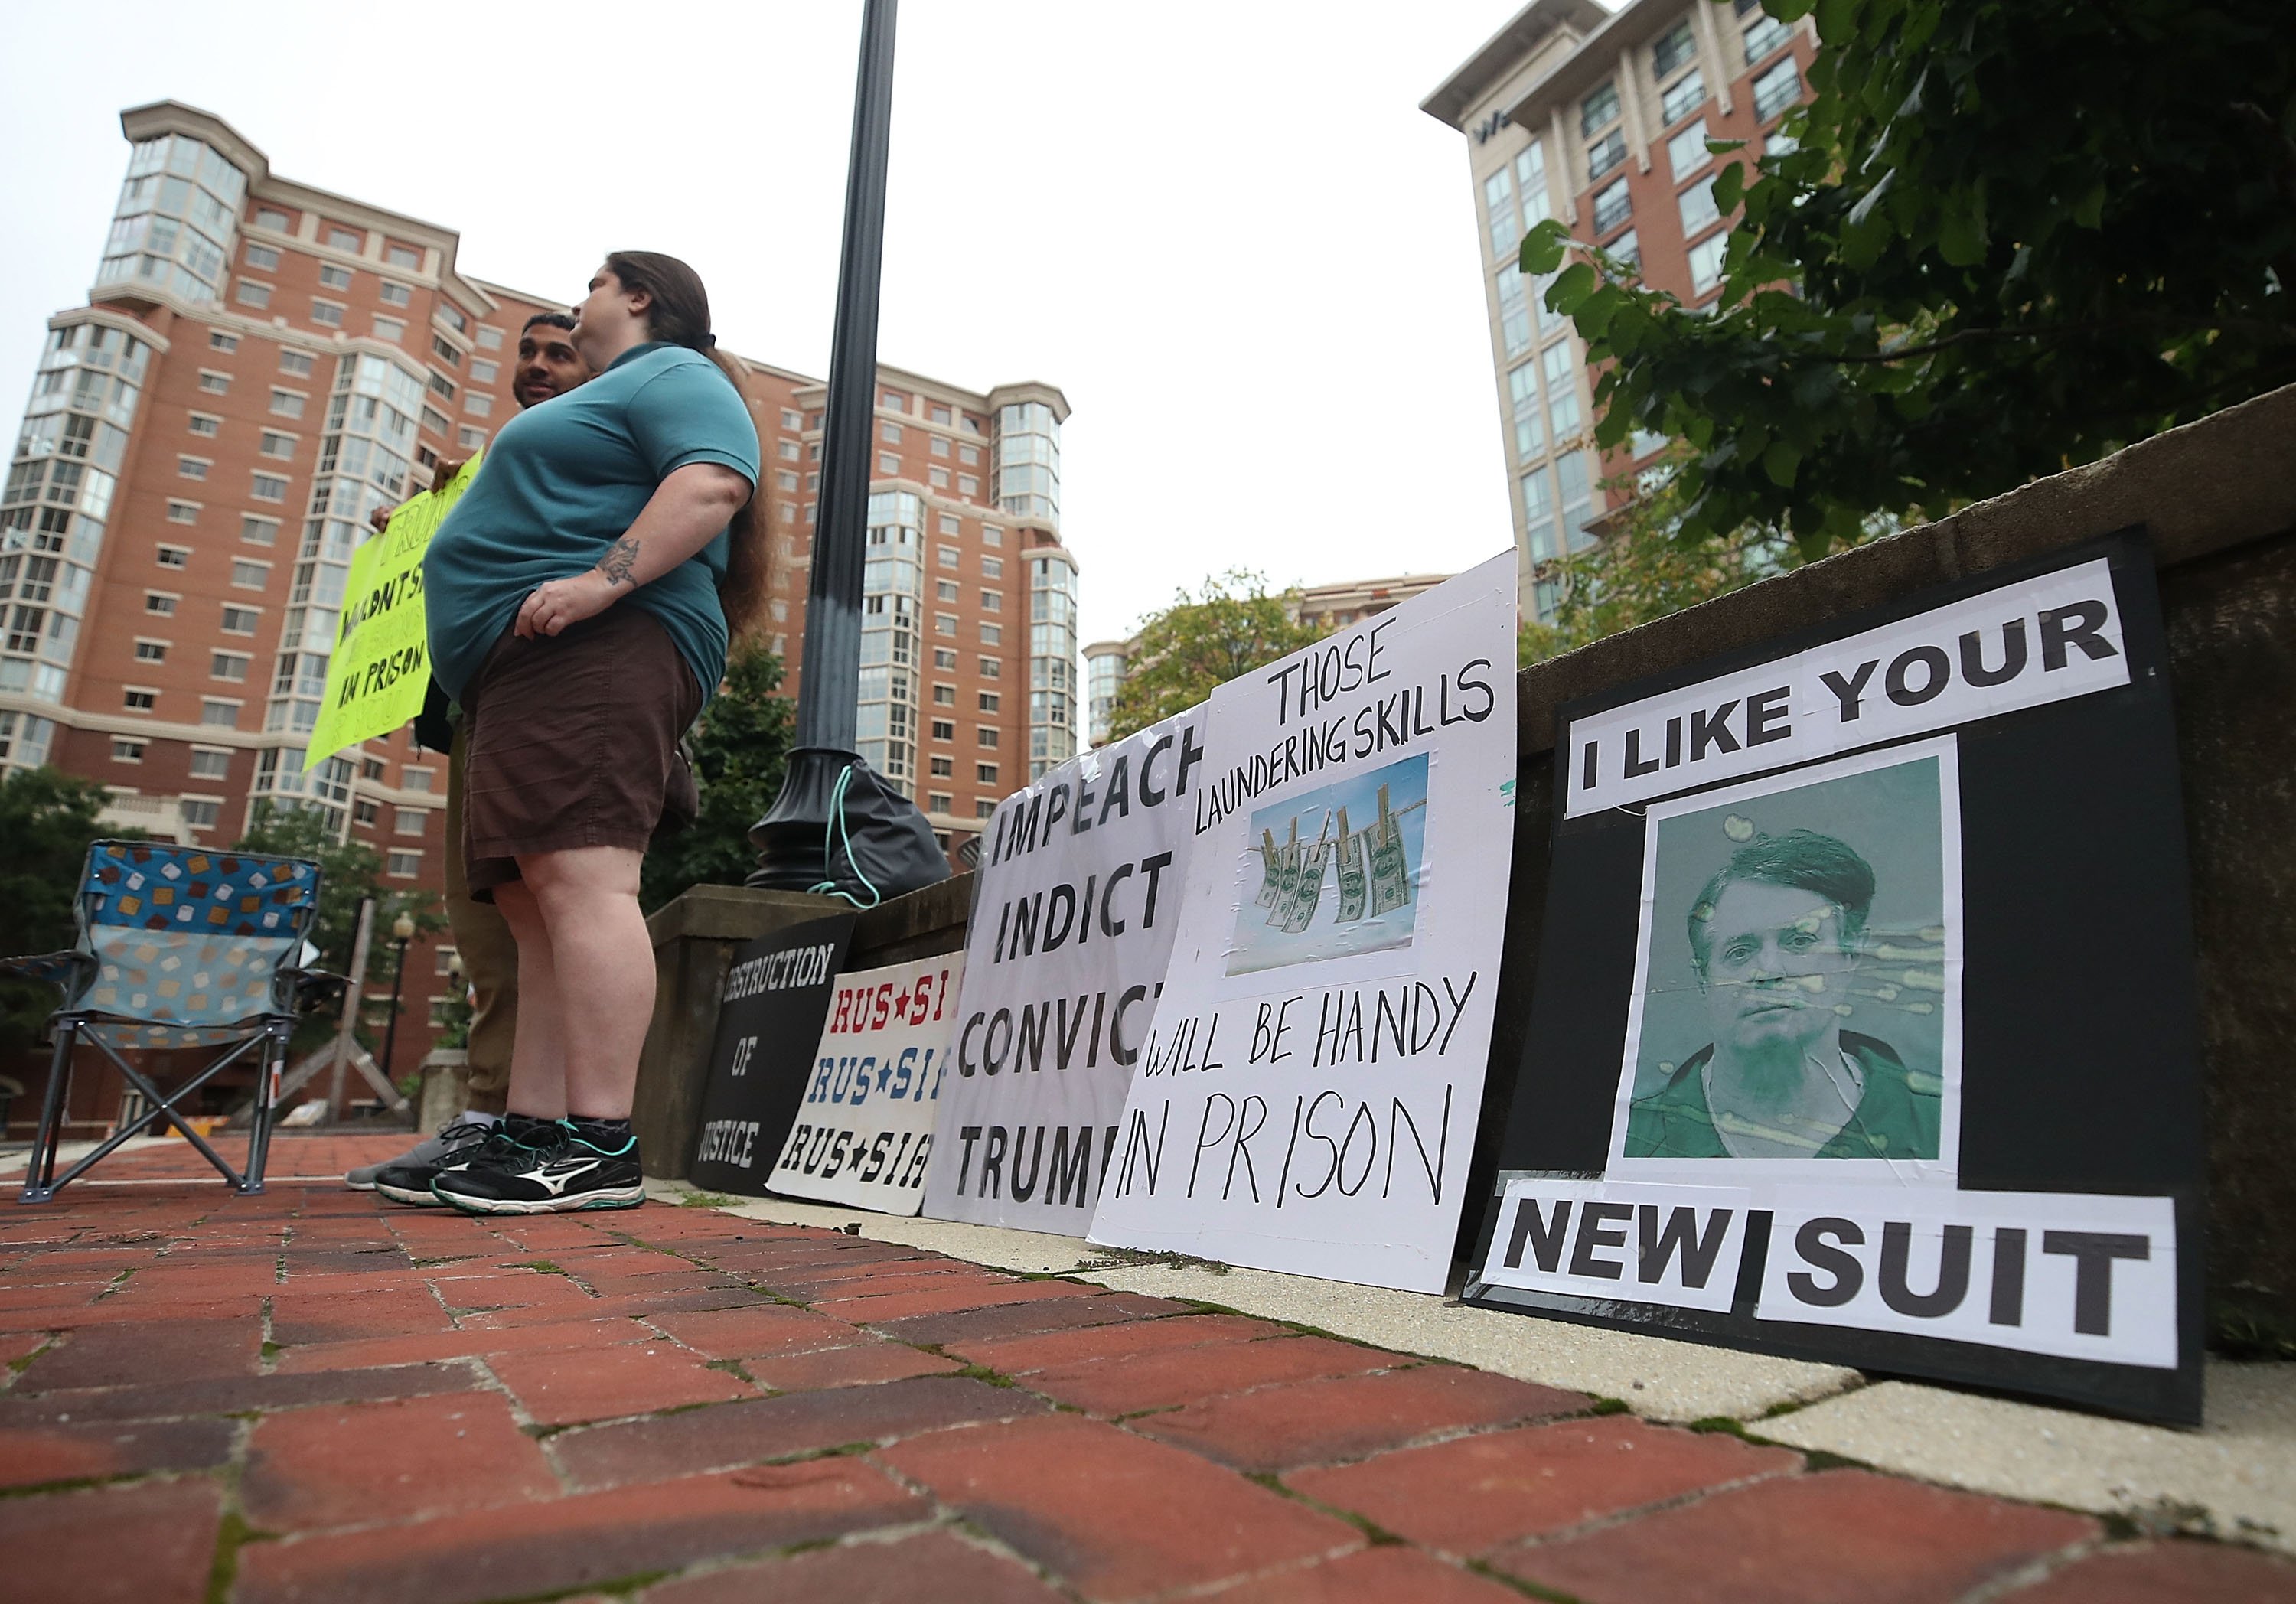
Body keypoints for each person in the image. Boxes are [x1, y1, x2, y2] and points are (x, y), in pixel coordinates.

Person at [418, 252, 764, 1214]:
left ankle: (598, 1140)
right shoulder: (613, 391)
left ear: (638, 295)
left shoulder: (675, 372)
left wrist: (595, 583)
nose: (579, 305)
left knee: (584, 882)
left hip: (600, 643)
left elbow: (710, 485)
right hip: (521, 666)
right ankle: (531, 1128)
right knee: (535, 908)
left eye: (593, 287)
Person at [350, 313, 599, 1202]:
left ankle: (521, 1121)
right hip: (472, 708)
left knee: (539, 918)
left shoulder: (595, 451)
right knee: (478, 918)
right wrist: (424, 522)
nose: (536, 366)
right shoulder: (490, 465)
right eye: (527, 352)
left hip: (550, 696)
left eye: (559, 352)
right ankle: (491, 1119)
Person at [1626, 828, 1940, 1160]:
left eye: (1800, 941)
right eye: (1740, 952)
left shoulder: (1943, 1125)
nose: (1769, 970)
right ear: (1703, 980)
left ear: (1851, 955)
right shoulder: (1630, 1138)